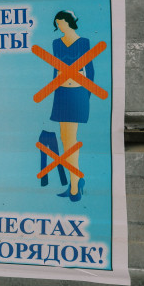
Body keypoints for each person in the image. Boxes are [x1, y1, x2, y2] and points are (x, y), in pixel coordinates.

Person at [50, 11, 92, 202]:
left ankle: (74, 185)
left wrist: (86, 96)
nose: (59, 27)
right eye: (57, 24)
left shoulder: (84, 42)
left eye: (61, 23)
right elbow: (55, 68)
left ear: (69, 22)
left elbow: (90, 70)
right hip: (61, 93)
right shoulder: (56, 43)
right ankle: (76, 180)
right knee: (66, 139)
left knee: (70, 140)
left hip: (77, 93)